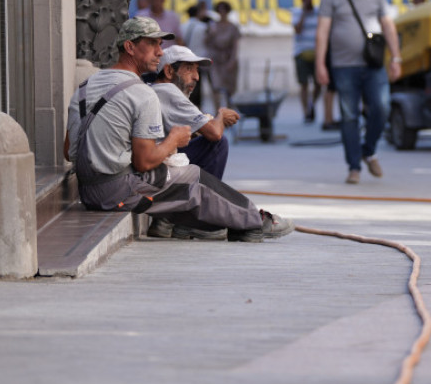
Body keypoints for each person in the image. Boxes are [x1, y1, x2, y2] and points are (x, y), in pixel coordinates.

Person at [64, 16, 293, 243]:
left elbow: (69, 151)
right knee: (193, 177)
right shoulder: (142, 94)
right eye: (152, 44)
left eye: (160, 45)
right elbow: (145, 162)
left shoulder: (85, 87)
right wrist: (173, 140)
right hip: (119, 193)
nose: (160, 52)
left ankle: (219, 223)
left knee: (179, 177)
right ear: (130, 47)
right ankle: (255, 220)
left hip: (88, 192)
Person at [315, 0, 402, 184]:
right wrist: (320, 63)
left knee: (382, 107)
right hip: (343, 66)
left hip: (374, 64)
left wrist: (396, 58)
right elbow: (323, 30)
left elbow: (388, 26)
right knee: (349, 116)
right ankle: (354, 166)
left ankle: (368, 149)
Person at [152, 45, 240, 180]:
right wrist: (221, 114)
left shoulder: (157, 90)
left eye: (197, 70)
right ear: (169, 71)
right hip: (158, 163)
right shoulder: (168, 91)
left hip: (157, 156)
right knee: (218, 144)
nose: (196, 77)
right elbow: (214, 133)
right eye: (189, 69)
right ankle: (209, 195)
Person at [293, 0, 320, 123]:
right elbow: (297, 29)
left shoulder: (318, 12)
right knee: (304, 84)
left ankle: (312, 105)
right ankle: (305, 111)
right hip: (301, 52)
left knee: (318, 83)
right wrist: (304, 12)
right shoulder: (297, 12)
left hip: (316, 53)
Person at [206, 1, 241, 108]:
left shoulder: (233, 27)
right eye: (220, 11)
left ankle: (229, 112)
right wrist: (211, 34)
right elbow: (206, 42)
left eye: (224, 11)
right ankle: (218, 111)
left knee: (229, 88)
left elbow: (235, 46)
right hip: (216, 60)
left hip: (228, 58)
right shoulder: (213, 26)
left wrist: (232, 60)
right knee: (216, 87)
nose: (222, 13)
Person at [181, 1, 212, 108]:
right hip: (200, 60)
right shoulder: (203, 27)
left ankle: (189, 107)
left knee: (188, 86)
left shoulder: (183, 26)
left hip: (186, 60)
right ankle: (198, 109)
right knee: (199, 88)